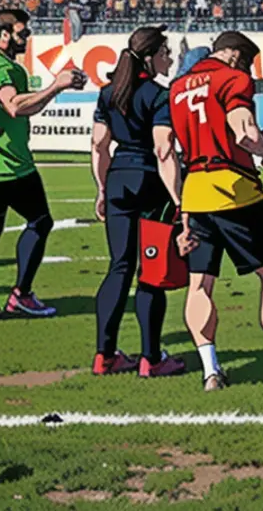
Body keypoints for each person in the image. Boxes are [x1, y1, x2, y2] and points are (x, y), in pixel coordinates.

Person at [170, 31, 263, 392]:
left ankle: (211, 371)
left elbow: (166, 147)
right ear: (237, 56)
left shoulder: (176, 89)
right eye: (250, 63)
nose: (251, 72)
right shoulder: (233, 80)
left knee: (200, 285)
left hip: (195, 190)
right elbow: (244, 132)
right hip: (235, 189)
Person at [0, 9, 87, 322]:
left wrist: (55, 87)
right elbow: (15, 106)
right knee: (41, 222)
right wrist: (56, 86)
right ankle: (21, 294)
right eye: (21, 33)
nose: (27, 37)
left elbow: (22, 107)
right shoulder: (0, 68)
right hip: (12, 166)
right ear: (3, 34)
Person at [90, 26, 185, 378]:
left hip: (117, 180)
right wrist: (179, 200)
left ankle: (105, 355)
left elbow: (99, 146)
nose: (170, 58)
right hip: (149, 183)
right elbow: (164, 150)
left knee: (118, 267)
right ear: (150, 57)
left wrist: (101, 189)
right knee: (150, 273)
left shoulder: (107, 94)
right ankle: (151, 358)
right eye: (166, 52)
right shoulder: (159, 96)